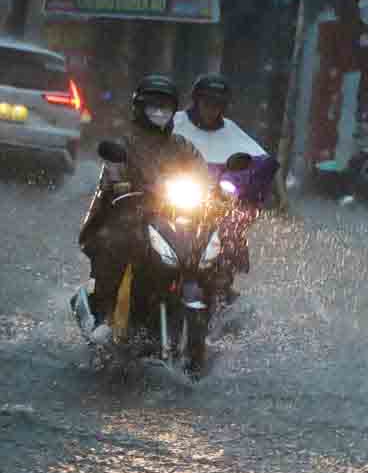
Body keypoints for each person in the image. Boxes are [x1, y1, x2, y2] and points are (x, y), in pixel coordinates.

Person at [77, 74, 207, 341]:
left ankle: (211, 312)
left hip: (172, 220)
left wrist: (216, 193)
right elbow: (113, 173)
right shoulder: (125, 143)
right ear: (140, 107)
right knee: (116, 242)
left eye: (165, 106)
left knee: (206, 251)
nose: (160, 112)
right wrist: (121, 186)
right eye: (153, 106)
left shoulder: (181, 146)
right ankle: (102, 314)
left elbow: (202, 174)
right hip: (127, 217)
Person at [172, 73, 277, 287]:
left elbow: (260, 166)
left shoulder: (232, 133)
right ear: (197, 100)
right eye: (207, 102)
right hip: (171, 204)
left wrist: (237, 194)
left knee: (228, 242)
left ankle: (221, 294)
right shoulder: (174, 124)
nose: (211, 108)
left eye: (217, 104)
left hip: (213, 210)